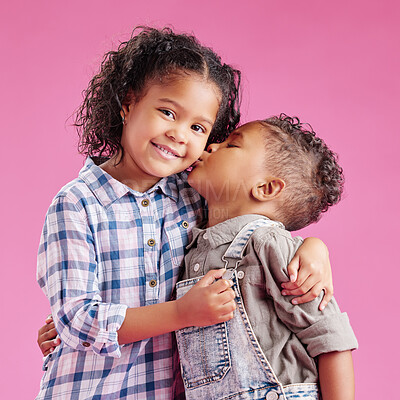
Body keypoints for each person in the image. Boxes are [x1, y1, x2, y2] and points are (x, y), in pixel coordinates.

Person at [36, 26, 335, 399]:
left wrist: (313, 248)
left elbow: (259, 218)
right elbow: (77, 321)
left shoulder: (195, 197)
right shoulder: (77, 204)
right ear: (128, 103)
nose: (180, 134)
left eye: (197, 127)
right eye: (167, 111)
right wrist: (180, 313)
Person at [175, 115, 358, 400]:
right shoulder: (196, 245)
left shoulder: (268, 245)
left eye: (231, 145)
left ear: (266, 188)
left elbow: (330, 339)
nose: (211, 146)